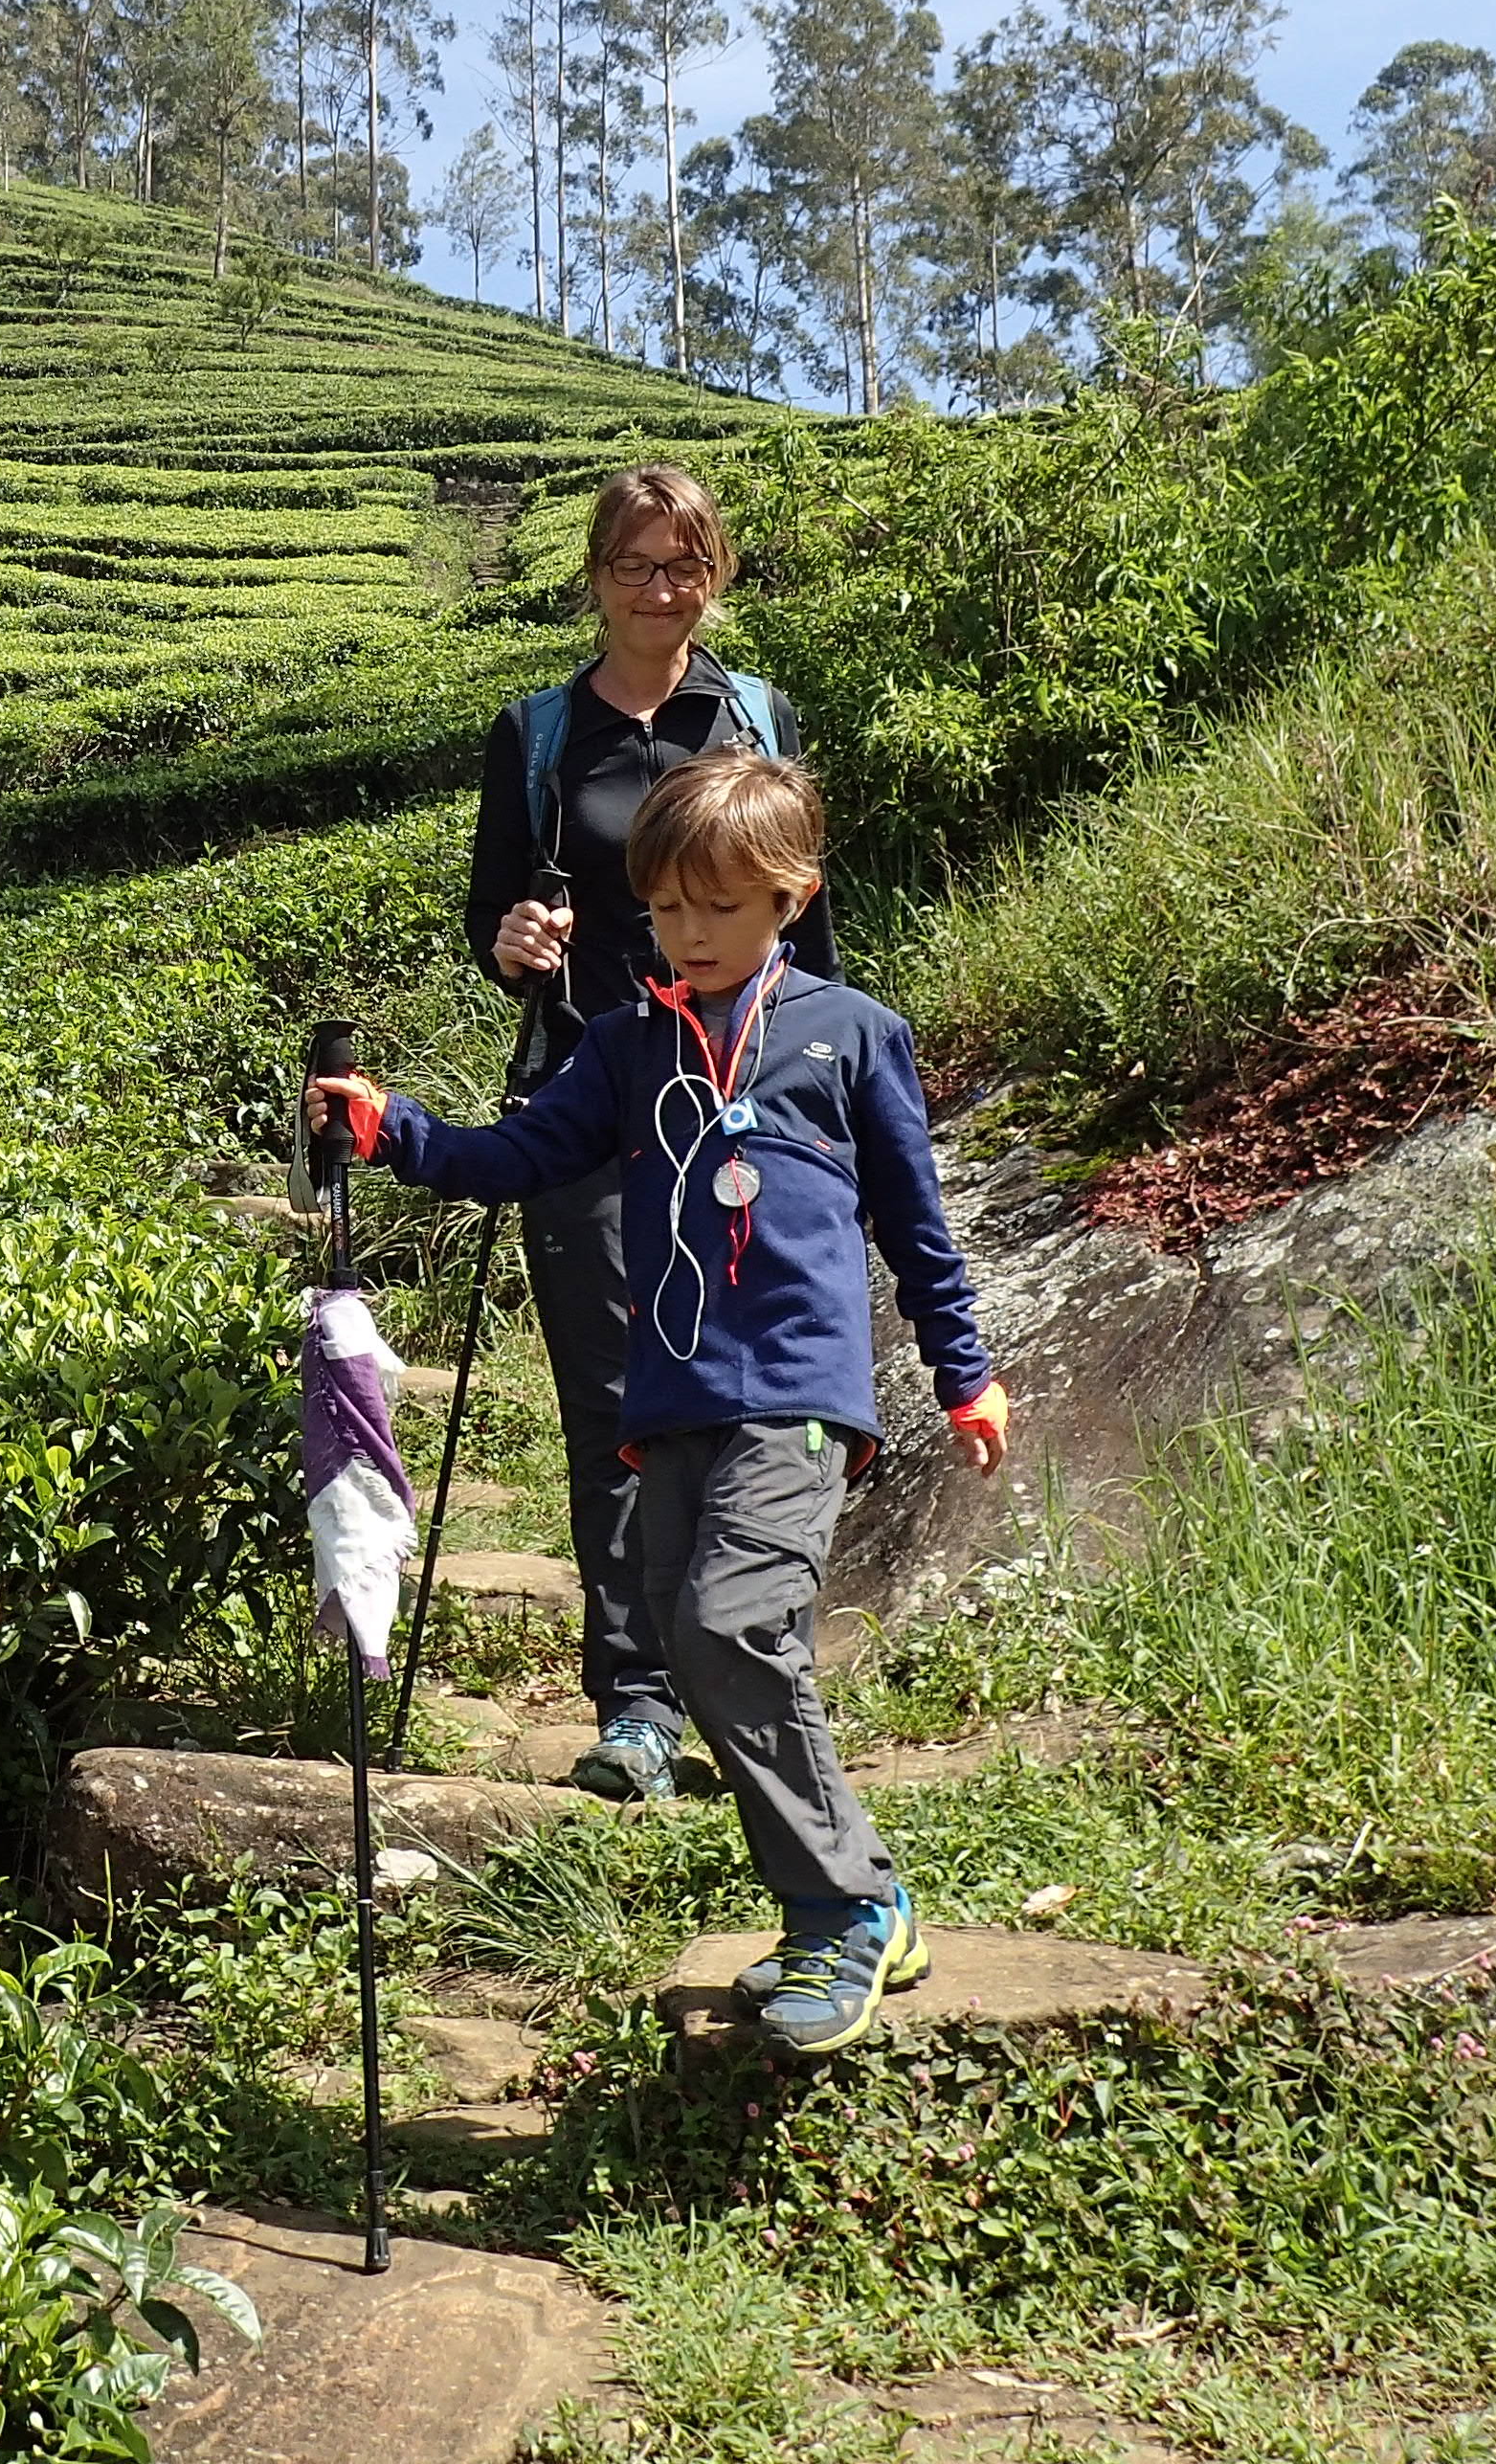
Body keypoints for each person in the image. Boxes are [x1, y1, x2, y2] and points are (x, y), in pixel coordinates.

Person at [320, 746, 1012, 2053]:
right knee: (700, 1650)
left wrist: (962, 1373)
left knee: (730, 1625)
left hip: (798, 1395)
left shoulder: (853, 1034)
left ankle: (850, 1910)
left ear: (792, 896)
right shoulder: (630, 1043)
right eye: (667, 908)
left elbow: (917, 1225)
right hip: (673, 1394)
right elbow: (520, 1154)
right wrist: (392, 1128)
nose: (690, 932)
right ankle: (845, 1904)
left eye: (721, 906)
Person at [466, 460, 839, 1808]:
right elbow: (491, 919)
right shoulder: (537, 734)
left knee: (753, 1394)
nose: (659, 589)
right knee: (613, 1407)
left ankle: (750, 1676)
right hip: (590, 1096)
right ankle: (633, 1699)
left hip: (741, 1101)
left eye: (683, 564)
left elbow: (810, 932)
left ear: (714, 574)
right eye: (634, 564)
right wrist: (516, 941)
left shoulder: (752, 719)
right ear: (595, 578)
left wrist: (824, 1111)